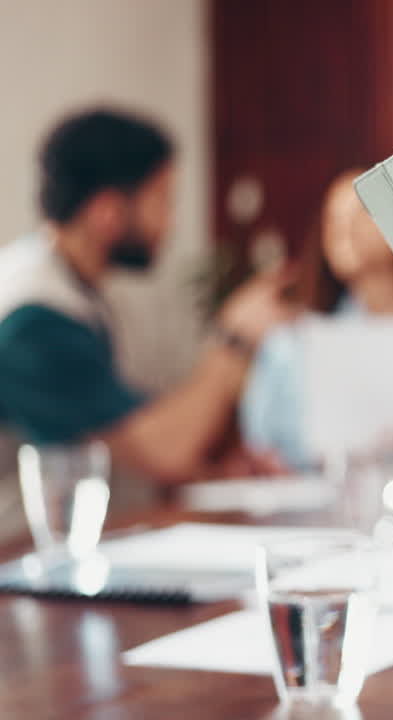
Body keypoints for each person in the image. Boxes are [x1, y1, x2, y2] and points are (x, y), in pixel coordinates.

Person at [0, 109, 298, 538]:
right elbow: (160, 450)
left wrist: (217, 471)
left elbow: (125, 428)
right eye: (162, 200)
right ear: (107, 212)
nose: (170, 222)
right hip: (19, 557)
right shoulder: (32, 320)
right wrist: (236, 337)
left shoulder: (78, 290)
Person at [240, 171, 393, 504]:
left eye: (362, 211)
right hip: (314, 513)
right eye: (333, 218)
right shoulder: (288, 347)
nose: (344, 226)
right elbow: (262, 447)